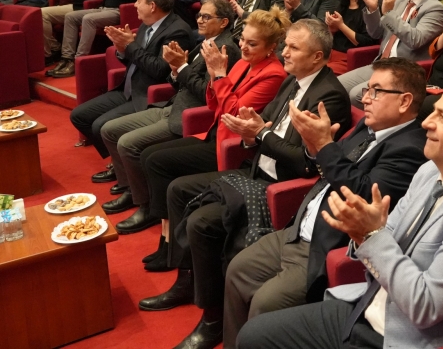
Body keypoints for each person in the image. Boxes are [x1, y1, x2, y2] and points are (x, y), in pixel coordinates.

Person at [236, 77, 443, 349]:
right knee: (253, 335)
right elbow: (387, 233)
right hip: (368, 305)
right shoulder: (430, 171)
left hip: (402, 337)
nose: (426, 122)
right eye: (433, 112)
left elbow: (425, 306)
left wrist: (369, 235)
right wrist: (362, 232)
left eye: (442, 117)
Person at [139, 19, 351, 323]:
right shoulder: (293, 80)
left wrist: (260, 134)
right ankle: (186, 280)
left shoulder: (328, 96)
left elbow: (306, 162)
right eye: (286, 45)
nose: (285, 52)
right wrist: (252, 132)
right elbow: (260, 123)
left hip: (281, 187)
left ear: (317, 56)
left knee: (200, 222)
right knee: (177, 189)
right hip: (255, 170)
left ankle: (212, 317)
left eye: (293, 48)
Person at [220, 58, 429, 349]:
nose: (365, 98)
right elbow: (326, 165)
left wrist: (324, 146)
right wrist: (313, 146)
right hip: (299, 229)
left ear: (405, 101)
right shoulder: (367, 127)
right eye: (367, 89)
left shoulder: (410, 148)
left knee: (266, 304)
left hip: (325, 246)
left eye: (376, 91)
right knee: (237, 269)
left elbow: (362, 195)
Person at [133, 9, 294, 245]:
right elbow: (214, 103)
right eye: (242, 40)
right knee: (149, 155)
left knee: (158, 162)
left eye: (252, 44)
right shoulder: (243, 63)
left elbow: (234, 113)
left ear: (271, 47)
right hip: (214, 133)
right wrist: (213, 76)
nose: (243, 47)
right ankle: (165, 231)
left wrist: (219, 75)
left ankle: (167, 239)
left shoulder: (273, 74)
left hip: (233, 146)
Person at [99, 0, 241, 224]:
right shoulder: (204, 42)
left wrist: (182, 67)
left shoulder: (226, 49)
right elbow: (181, 82)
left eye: (206, 17)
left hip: (190, 116)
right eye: (199, 15)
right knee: (109, 129)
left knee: (127, 143)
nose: (200, 20)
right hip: (172, 106)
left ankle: (146, 206)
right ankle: (130, 189)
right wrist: (176, 70)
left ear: (224, 22)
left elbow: (208, 93)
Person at [71, 0, 193, 171]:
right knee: (79, 116)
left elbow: (159, 70)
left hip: (146, 94)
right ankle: (119, 161)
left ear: (152, 6)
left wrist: (130, 46)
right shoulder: (146, 25)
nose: (134, 5)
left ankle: (120, 167)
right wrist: (122, 50)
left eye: (138, 1)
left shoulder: (177, 31)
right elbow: (135, 59)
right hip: (127, 88)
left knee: (100, 125)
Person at [336, 0, 443, 103]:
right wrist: (372, 9)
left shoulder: (435, 9)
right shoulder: (399, 1)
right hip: (382, 64)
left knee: (357, 94)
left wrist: (388, 13)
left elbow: (415, 40)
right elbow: (375, 33)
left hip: (403, 70)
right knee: (336, 87)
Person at [326, 0, 381, 74]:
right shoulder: (342, 6)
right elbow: (332, 38)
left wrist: (341, 25)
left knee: (317, 75)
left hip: (350, 59)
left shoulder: (369, 9)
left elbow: (367, 42)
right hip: (330, 54)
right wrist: (332, 28)